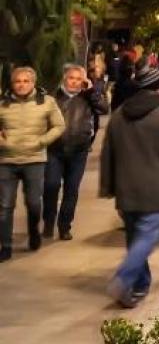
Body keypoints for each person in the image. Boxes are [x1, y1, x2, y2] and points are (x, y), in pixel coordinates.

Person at [97, 66, 159, 304]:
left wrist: (108, 186)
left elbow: (107, 152)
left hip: (126, 188)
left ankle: (139, 285)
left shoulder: (120, 113)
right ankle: (123, 279)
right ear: (157, 87)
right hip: (156, 188)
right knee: (147, 237)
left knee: (135, 238)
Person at [0, 66, 66, 259]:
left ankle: (34, 232)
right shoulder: (3, 103)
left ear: (33, 83)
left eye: (25, 81)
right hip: (6, 160)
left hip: (34, 160)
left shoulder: (46, 102)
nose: (21, 85)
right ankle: (6, 245)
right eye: (17, 82)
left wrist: (41, 142)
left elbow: (59, 126)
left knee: (34, 203)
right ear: (12, 84)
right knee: (4, 206)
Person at [45, 63, 106, 241]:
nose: (74, 82)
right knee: (51, 185)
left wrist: (91, 91)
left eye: (79, 79)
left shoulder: (88, 97)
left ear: (84, 81)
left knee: (71, 190)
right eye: (71, 78)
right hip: (54, 150)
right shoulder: (53, 97)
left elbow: (104, 108)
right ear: (65, 79)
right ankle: (48, 221)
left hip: (79, 151)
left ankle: (64, 226)